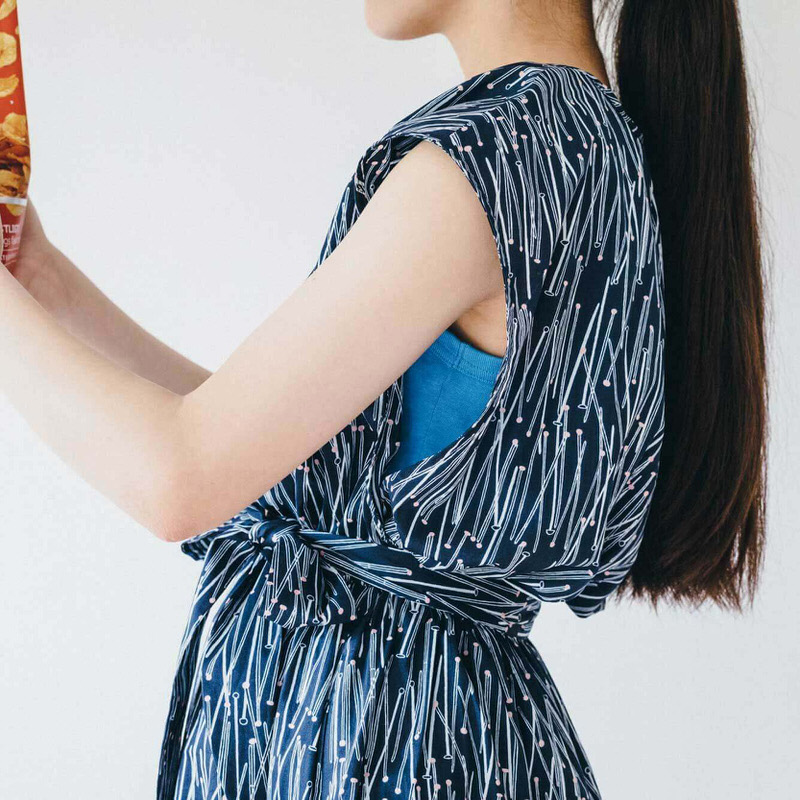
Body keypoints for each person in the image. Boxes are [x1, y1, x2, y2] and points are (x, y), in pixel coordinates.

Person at [1, 0, 768, 798]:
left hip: (368, 738)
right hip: (431, 733)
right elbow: (263, 457)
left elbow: (181, 478)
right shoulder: (577, 144)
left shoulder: (498, 153)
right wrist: (40, 277)